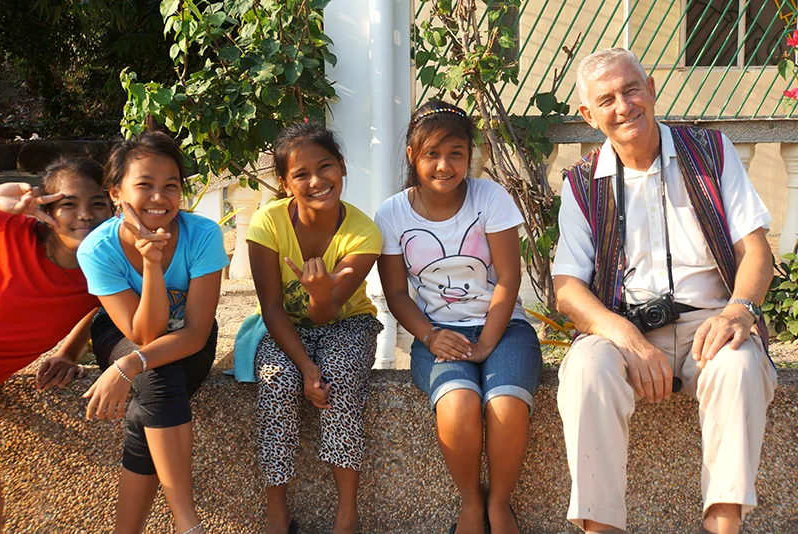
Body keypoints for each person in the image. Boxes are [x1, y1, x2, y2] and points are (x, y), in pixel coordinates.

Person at [553, 48, 777, 534]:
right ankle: (601, 528)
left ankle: (723, 524)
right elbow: (567, 288)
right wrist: (626, 338)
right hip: (623, 327)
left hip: (711, 320)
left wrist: (740, 311)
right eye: (606, 99)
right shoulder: (581, 182)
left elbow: (756, 251)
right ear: (589, 116)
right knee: (586, 371)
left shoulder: (712, 153)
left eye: (631, 89)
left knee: (738, 365)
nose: (624, 106)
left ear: (651, 88)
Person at [375, 99, 542, 534]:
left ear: (469, 156)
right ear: (412, 155)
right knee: (458, 403)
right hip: (438, 334)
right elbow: (396, 292)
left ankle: (500, 504)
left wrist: (488, 341)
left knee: (505, 404)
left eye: (456, 154)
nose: (444, 165)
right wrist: (430, 337)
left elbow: (507, 277)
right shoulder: (392, 213)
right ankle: (471, 503)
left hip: (506, 328)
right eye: (432, 153)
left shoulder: (490, 198)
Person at [76, 131, 228, 534]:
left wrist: (127, 366)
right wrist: (151, 264)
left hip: (188, 339)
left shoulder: (204, 235)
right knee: (157, 379)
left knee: (148, 400)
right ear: (115, 192)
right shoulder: (97, 249)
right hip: (122, 330)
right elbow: (144, 333)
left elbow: (195, 333)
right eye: (144, 185)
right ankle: (187, 523)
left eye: (171, 186)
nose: (159, 198)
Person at [247, 122, 383, 534]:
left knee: (339, 377)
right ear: (285, 183)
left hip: (348, 323)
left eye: (325, 167)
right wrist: (306, 368)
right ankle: (277, 516)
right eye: (301, 174)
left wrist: (321, 295)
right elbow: (271, 308)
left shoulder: (364, 234)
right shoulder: (266, 224)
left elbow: (327, 313)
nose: (316, 181)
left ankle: (346, 517)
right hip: (285, 327)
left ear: (342, 168)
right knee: (275, 381)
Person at [0, 158, 114, 529]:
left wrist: (68, 351)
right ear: (45, 209)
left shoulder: (106, 268)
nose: (85, 215)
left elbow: (94, 305)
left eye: (98, 203)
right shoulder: (9, 229)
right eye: (68, 204)